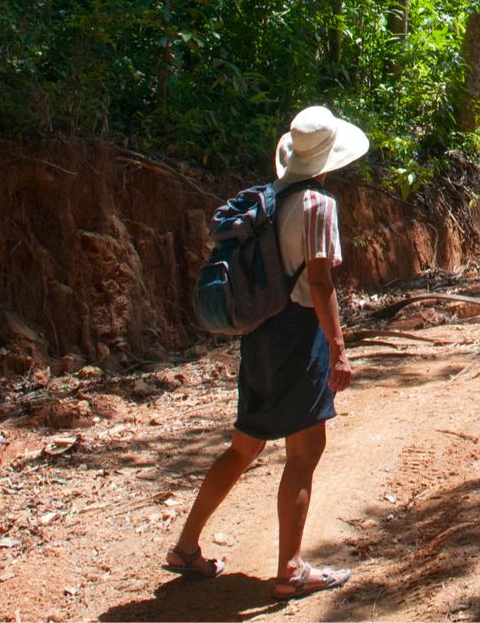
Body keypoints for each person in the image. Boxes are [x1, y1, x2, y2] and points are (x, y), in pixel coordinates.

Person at [162, 105, 366, 600]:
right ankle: (291, 569)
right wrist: (337, 348)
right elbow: (319, 282)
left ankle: (185, 548)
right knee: (305, 452)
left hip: (260, 334)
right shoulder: (318, 205)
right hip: (299, 336)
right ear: (330, 157)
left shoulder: (271, 197)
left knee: (244, 445)